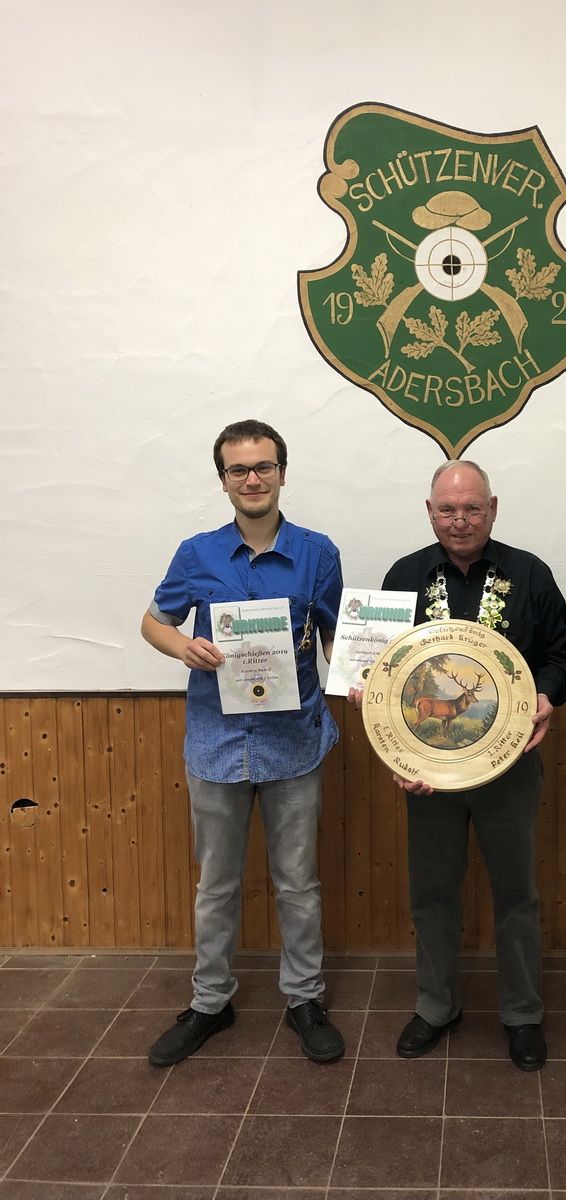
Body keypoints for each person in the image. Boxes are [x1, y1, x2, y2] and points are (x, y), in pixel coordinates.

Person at [141, 419, 345, 1067]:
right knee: (216, 885)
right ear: (223, 480)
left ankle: (304, 998)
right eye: (239, 470)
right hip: (217, 743)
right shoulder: (195, 554)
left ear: (282, 473)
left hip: (294, 743)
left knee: (298, 883)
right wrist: (183, 646)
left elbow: (338, 636)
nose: (252, 479)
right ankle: (210, 1002)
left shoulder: (318, 554)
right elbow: (154, 622)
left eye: (263, 467)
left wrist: (366, 676)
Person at [378, 460, 566, 1071]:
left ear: (493, 509)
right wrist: (389, 742)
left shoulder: (530, 574)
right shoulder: (403, 577)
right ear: (429, 511)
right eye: (447, 509)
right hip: (426, 774)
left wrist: (547, 695)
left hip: (510, 767)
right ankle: (436, 1005)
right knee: (431, 892)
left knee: (516, 894)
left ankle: (523, 1014)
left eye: (472, 508)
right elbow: (379, 670)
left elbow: (560, 655)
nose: (459, 520)